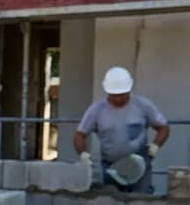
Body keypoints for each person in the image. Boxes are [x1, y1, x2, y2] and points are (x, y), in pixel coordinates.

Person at [73, 66, 170, 194]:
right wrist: (83, 155)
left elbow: (163, 127)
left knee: (140, 202)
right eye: (114, 95)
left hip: (139, 164)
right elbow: (80, 135)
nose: (118, 99)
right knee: (113, 203)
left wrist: (155, 146)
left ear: (129, 90)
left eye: (122, 95)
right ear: (107, 91)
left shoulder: (142, 106)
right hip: (111, 166)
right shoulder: (97, 110)